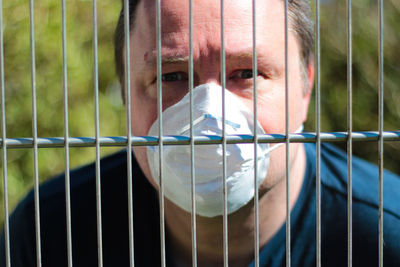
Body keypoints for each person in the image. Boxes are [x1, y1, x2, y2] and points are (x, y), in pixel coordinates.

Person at [1, 0, 400, 266]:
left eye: (246, 73)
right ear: (126, 94)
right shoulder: (51, 233)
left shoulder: (386, 235)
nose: (210, 115)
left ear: (304, 85)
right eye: (171, 76)